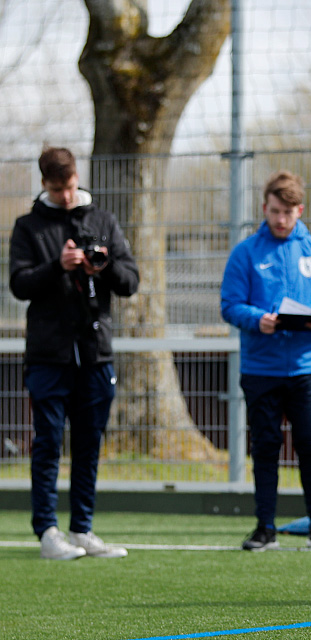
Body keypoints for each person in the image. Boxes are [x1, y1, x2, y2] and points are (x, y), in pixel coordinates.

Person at [9, 147, 140, 560]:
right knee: (48, 443)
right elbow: (18, 283)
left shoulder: (102, 220)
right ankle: (47, 531)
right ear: (44, 183)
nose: (65, 196)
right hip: (49, 355)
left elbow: (130, 280)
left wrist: (101, 268)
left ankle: (82, 528)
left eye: (69, 186)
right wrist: (58, 266)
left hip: (95, 353)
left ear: (77, 177)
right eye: (56, 188)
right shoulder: (27, 226)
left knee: (88, 444)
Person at [221, 170, 311, 551]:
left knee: (310, 446)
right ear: (264, 208)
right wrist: (256, 319)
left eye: (288, 213)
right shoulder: (246, 252)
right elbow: (230, 305)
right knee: (265, 447)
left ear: (299, 210)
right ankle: (264, 528)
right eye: (274, 211)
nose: (280, 219)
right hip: (260, 369)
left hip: (305, 368)